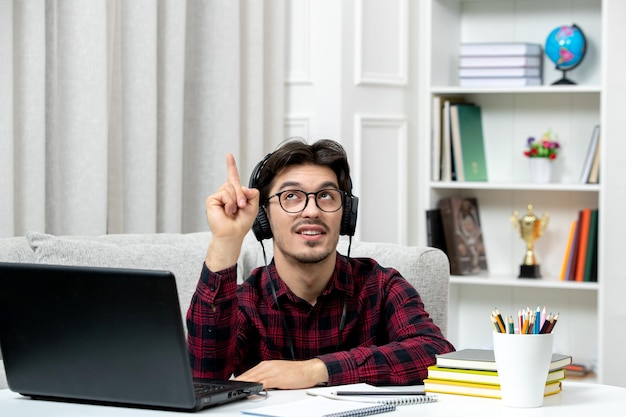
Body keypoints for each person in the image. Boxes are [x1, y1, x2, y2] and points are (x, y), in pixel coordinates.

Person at [186, 138, 454, 390]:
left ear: (346, 214)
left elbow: (435, 352)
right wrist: (225, 241)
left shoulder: (381, 286)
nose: (311, 211)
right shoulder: (247, 301)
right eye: (291, 196)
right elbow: (203, 379)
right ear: (263, 216)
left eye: (326, 196)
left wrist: (315, 370)